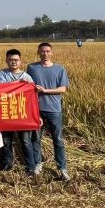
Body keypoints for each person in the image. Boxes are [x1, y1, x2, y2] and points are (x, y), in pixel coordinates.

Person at [27, 42, 71, 181]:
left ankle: (62, 168)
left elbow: (63, 89)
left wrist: (45, 90)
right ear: (38, 52)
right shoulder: (32, 68)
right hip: (37, 109)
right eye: (42, 51)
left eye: (47, 51)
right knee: (36, 138)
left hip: (54, 109)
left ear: (51, 52)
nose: (45, 54)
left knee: (57, 139)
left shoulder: (60, 69)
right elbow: (28, 86)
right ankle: (38, 164)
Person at [0, 49, 36, 175]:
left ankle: (30, 166)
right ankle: (8, 164)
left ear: (20, 61)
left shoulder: (27, 76)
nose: (13, 62)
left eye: (16, 60)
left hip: (22, 113)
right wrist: (19, 83)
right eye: (11, 60)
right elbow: (1, 88)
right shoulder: (2, 74)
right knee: (6, 140)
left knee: (25, 140)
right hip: (6, 111)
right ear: (6, 61)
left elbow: (32, 96)